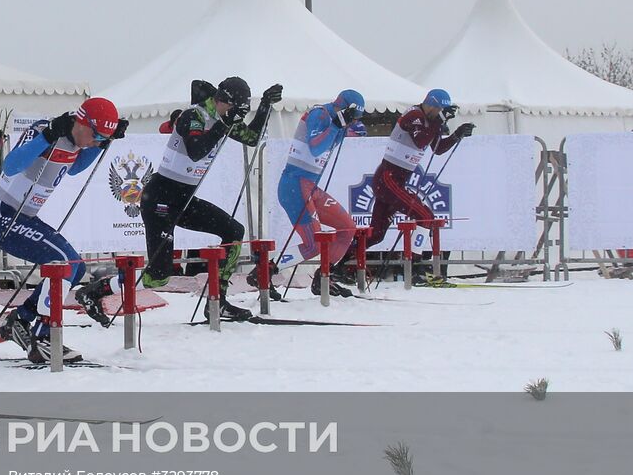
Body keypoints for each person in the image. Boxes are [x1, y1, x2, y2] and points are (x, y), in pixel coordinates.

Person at [0, 98, 126, 363]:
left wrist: (102, 143)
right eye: (96, 135)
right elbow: (10, 165)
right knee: (64, 263)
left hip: (23, 216)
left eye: (101, 139)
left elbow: (75, 169)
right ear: (82, 122)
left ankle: (21, 320)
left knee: (76, 267)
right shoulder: (47, 129)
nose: (95, 142)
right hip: (0, 214)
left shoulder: (77, 141)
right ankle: (44, 337)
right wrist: (46, 137)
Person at [136, 77, 282, 321]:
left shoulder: (223, 119)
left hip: (183, 199)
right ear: (223, 100)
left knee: (234, 231)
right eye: (236, 110)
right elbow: (196, 151)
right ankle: (103, 289)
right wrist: (223, 124)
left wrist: (265, 104)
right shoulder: (194, 115)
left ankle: (219, 300)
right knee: (158, 275)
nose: (237, 115)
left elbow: (252, 138)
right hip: (160, 198)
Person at [344, 88, 473, 269]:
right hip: (388, 178)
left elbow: (438, 148)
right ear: (429, 104)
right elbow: (420, 141)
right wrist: (439, 122)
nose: (438, 114)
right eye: (436, 110)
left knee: (376, 234)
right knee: (425, 216)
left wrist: (456, 134)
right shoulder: (414, 115)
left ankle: (339, 263)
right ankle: (415, 268)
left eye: (440, 111)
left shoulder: (431, 121)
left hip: (393, 180)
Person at [273, 89, 365, 298]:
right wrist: (336, 124)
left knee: (347, 228)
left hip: (310, 186)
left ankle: (324, 276)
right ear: (343, 108)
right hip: (294, 185)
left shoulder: (338, 121)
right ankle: (265, 270)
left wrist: (344, 127)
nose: (353, 122)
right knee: (315, 244)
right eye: (353, 117)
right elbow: (316, 148)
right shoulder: (320, 114)